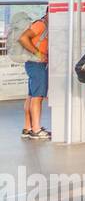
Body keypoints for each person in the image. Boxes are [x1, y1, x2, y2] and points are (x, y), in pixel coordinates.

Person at [16, 11, 51, 141]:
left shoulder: (44, 25)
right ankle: (36, 129)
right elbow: (23, 38)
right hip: (36, 64)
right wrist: (38, 54)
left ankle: (28, 128)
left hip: (33, 64)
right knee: (38, 97)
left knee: (31, 96)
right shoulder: (41, 25)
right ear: (48, 12)